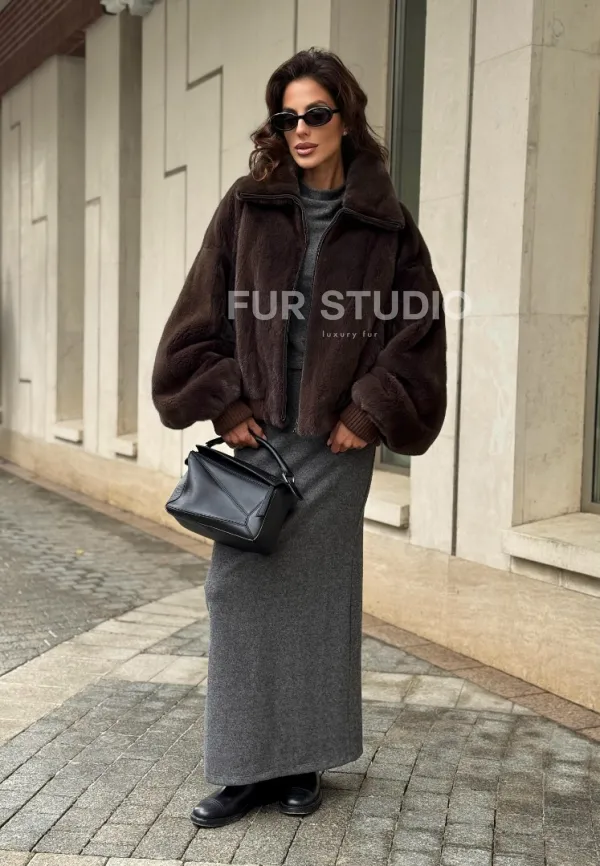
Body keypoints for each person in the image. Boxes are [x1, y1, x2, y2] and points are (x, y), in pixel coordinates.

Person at [151, 47, 447, 828]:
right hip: (259, 437)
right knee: (236, 593)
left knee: (316, 603)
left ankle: (302, 762)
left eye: (316, 113)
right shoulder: (247, 206)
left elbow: (418, 330)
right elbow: (199, 314)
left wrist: (368, 410)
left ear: (346, 118)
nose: (302, 129)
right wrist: (223, 404)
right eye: (288, 117)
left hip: (338, 445)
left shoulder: (387, 223)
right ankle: (241, 767)